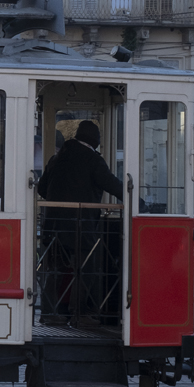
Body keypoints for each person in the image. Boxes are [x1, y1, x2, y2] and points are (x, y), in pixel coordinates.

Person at [36, 121, 123, 322]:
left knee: (55, 270)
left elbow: (42, 189)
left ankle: (49, 314)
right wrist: (137, 201)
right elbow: (112, 184)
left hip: (53, 224)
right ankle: (80, 313)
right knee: (87, 268)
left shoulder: (56, 159)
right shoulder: (92, 160)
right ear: (95, 140)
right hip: (81, 226)